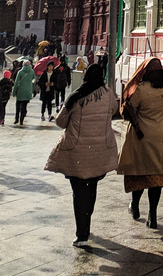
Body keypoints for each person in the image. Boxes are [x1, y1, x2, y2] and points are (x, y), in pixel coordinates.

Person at [45, 63, 120, 249]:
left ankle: (82, 234)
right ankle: (87, 221)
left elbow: (62, 122)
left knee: (79, 192)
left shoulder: (76, 97)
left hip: (77, 152)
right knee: (92, 186)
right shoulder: (109, 94)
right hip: (99, 150)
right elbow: (113, 111)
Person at [117, 57, 163, 229]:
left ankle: (135, 206)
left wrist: (139, 73)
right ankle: (152, 215)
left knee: (140, 175)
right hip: (161, 138)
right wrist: (156, 65)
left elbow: (129, 109)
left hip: (142, 138)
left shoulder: (141, 90)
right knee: (156, 179)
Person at [12, 59, 35, 125]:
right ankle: (21, 120)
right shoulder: (32, 71)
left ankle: (16, 119)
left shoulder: (20, 72)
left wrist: (14, 92)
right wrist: (31, 82)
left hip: (20, 91)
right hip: (28, 90)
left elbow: (16, 83)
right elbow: (34, 79)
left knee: (18, 105)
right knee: (24, 106)